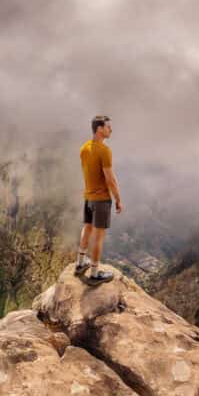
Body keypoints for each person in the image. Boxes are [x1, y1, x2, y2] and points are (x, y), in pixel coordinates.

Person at [75, 114, 123, 285]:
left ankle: (80, 263)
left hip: (88, 197)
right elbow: (110, 179)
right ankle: (94, 273)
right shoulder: (104, 150)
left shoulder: (84, 148)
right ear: (99, 129)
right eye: (108, 127)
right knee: (99, 236)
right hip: (101, 199)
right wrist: (117, 199)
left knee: (87, 228)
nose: (111, 129)